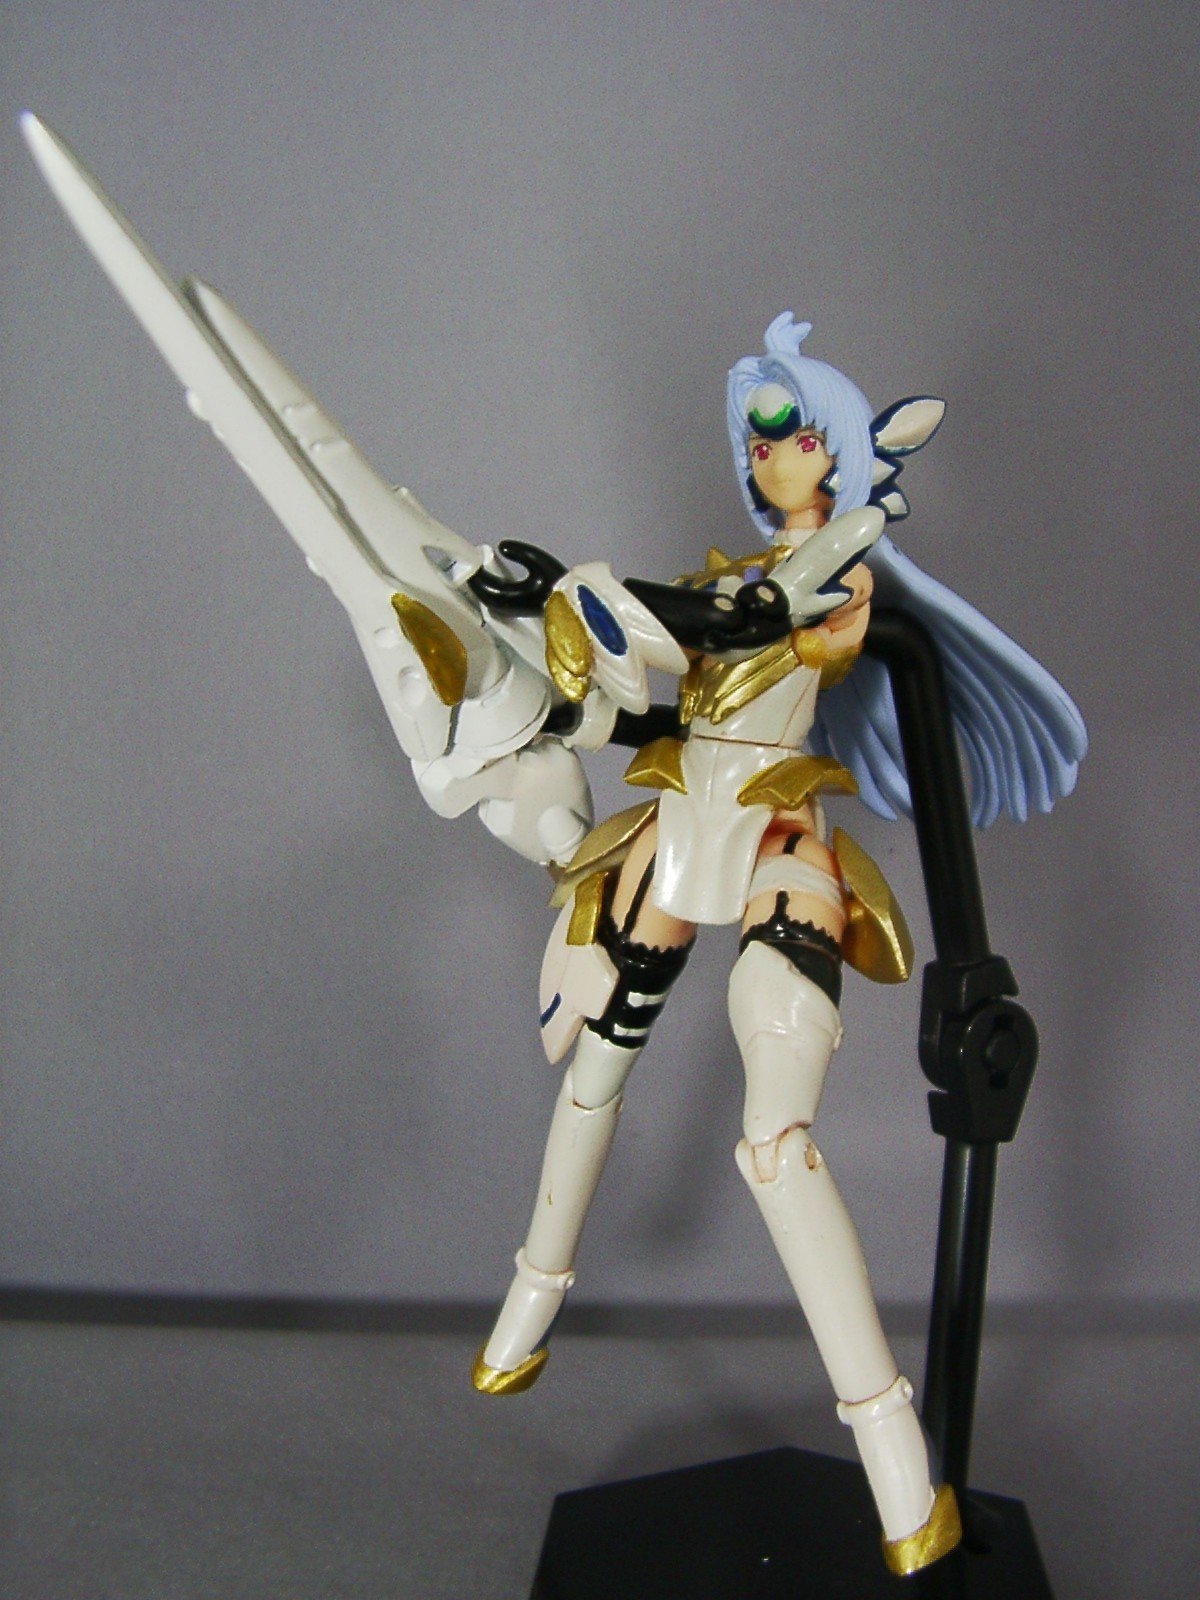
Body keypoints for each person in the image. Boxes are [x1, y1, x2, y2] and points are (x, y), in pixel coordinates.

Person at [471, 314, 1086, 1576]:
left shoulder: (838, 574)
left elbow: (745, 623)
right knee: (599, 1054)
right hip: (678, 825)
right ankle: (532, 1298)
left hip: (773, 839)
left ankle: (898, 1462)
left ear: (842, 449)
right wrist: (545, 625)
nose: (767, 457)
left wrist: (601, 592)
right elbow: (650, 692)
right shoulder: (738, 571)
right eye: (756, 438)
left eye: (790, 434)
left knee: (775, 1140)